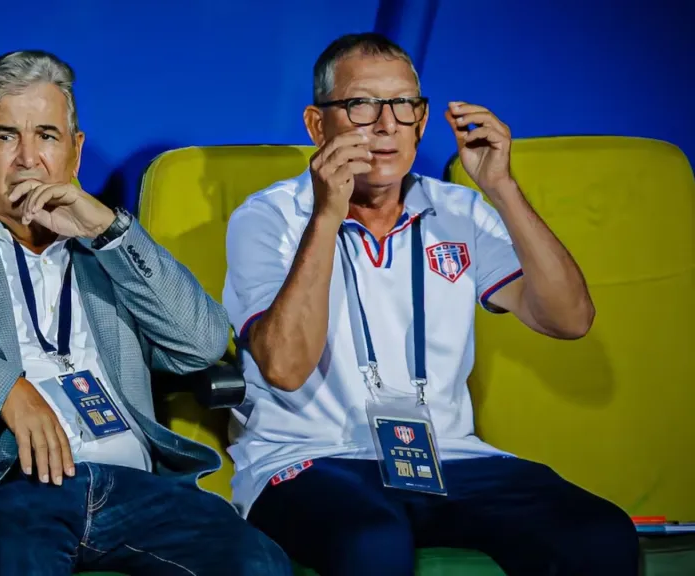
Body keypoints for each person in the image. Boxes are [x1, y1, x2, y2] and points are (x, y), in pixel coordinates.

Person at [0, 50, 292, 576]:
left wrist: (107, 233)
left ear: (74, 153)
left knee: (257, 563)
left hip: (135, 489)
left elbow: (203, 343)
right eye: (6, 136)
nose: (28, 158)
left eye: (47, 136)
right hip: (3, 490)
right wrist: (3, 388)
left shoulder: (111, 249)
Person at [221, 33, 639, 576]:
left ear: (421, 120)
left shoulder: (460, 210)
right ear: (317, 125)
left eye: (404, 105)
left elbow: (570, 320)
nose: (387, 124)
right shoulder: (269, 217)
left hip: (449, 456)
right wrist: (328, 214)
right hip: (310, 458)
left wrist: (502, 188)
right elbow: (284, 367)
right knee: (372, 544)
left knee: (600, 536)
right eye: (362, 105)